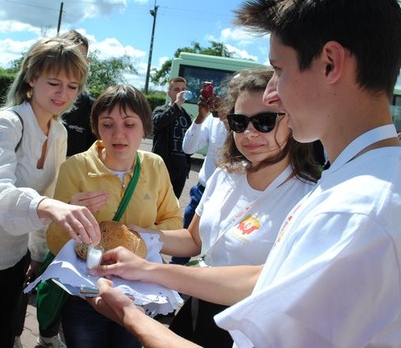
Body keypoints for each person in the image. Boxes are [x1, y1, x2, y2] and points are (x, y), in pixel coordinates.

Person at [87, 0, 401, 346]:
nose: (273, 94)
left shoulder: (351, 211)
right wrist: (147, 268)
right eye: (239, 121)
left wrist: (131, 317)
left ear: (330, 63)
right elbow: (265, 277)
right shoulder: (359, 187)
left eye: (278, 70)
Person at [94, 68, 320, 347]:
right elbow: (193, 240)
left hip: (248, 328)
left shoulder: (310, 198)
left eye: (265, 121)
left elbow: (265, 283)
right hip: (196, 310)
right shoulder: (226, 175)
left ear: (293, 120)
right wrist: (134, 233)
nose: (249, 132)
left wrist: (146, 270)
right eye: (239, 122)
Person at [0, 37, 101, 348]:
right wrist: (50, 206)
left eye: (72, 87)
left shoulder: (59, 131)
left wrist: (64, 207)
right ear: (31, 78)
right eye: (54, 82)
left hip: (16, 257)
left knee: (5, 337)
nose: (63, 94)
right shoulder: (8, 121)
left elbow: (45, 200)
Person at [45, 84, 183, 348]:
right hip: (85, 293)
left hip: (137, 290)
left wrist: (141, 235)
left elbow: (173, 221)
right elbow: (53, 241)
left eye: (129, 124)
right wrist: (68, 217)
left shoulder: (154, 165)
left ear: (145, 127)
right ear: (96, 127)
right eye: (107, 124)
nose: (118, 134)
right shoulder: (75, 167)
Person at [32, 29, 94, 348]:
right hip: (39, 202)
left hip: (66, 199)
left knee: (54, 266)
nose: (64, 90)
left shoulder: (84, 108)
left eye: (79, 54)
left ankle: (47, 330)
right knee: (34, 265)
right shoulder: (23, 117)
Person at [170, 74, 232, 265]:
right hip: (202, 192)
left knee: (221, 250)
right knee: (183, 247)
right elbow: (188, 148)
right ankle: (174, 283)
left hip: (229, 196)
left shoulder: (243, 124)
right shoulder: (211, 120)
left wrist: (225, 119)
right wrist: (200, 116)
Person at [152, 76, 193, 198]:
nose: (181, 92)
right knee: (157, 201)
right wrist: (176, 104)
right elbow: (157, 123)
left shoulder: (185, 115)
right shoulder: (160, 110)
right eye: (176, 89)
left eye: (183, 89)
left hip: (180, 168)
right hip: (164, 166)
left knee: (173, 203)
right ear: (169, 92)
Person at [59, 29, 96, 157]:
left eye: (79, 58)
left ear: (86, 63)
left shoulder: (91, 108)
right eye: (68, 57)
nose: (73, 65)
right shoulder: (36, 100)